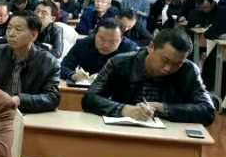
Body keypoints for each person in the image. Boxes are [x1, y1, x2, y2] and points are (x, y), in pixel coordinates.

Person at [82, 29, 215, 125]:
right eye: (165, 60)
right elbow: (89, 99)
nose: (168, 68)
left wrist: (161, 108)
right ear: (151, 47)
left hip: (169, 136)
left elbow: (208, 111)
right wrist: (124, 110)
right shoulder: (120, 63)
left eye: (177, 64)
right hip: (121, 130)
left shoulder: (189, 70)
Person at [0, 13, 60, 113]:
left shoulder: (49, 62)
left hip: (31, 114)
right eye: (9, 28)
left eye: (18, 29)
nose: (11, 34)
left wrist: (21, 100)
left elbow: (52, 98)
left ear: (34, 35)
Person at [60, 19, 138, 82]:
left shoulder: (130, 49)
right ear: (95, 35)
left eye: (112, 41)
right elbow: (63, 67)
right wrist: (73, 75)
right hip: (86, 89)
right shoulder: (83, 44)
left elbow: (136, 77)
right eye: (101, 39)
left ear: (121, 39)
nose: (105, 45)